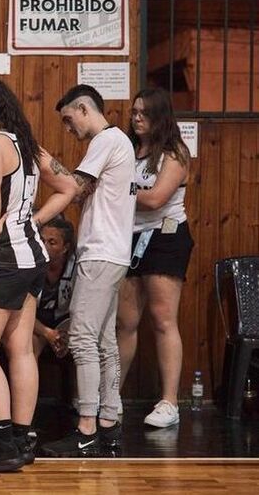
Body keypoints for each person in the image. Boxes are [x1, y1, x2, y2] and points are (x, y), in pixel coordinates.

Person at [0, 79, 77, 473]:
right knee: (21, 349)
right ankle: (23, 440)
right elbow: (70, 186)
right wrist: (33, 220)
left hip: (1, 258)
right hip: (32, 257)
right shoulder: (29, 146)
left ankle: (3, 443)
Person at [40, 84, 136, 457]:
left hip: (100, 254)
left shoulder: (106, 140)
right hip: (114, 254)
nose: (68, 129)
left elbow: (75, 189)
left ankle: (86, 429)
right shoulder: (120, 142)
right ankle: (109, 423)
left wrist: (44, 162)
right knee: (104, 342)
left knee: (81, 340)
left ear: (84, 108)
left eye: (68, 119)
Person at [116, 88, 193, 428]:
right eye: (134, 112)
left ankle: (169, 403)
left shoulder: (175, 152)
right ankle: (111, 397)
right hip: (129, 237)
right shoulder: (128, 149)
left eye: (144, 113)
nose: (137, 118)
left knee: (163, 319)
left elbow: (156, 198)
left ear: (160, 116)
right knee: (125, 322)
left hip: (165, 236)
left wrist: (118, 190)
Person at [33, 216, 76, 359]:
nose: (43, 246)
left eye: (52, 242)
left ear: (65, 248)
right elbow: (20, 312)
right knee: (30, 345)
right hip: (35, 322)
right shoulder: (29, 264)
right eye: (41, 240)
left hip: (66, 322)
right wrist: (48, 333)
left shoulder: (77, 268)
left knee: (81, 344)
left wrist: (62, 333)